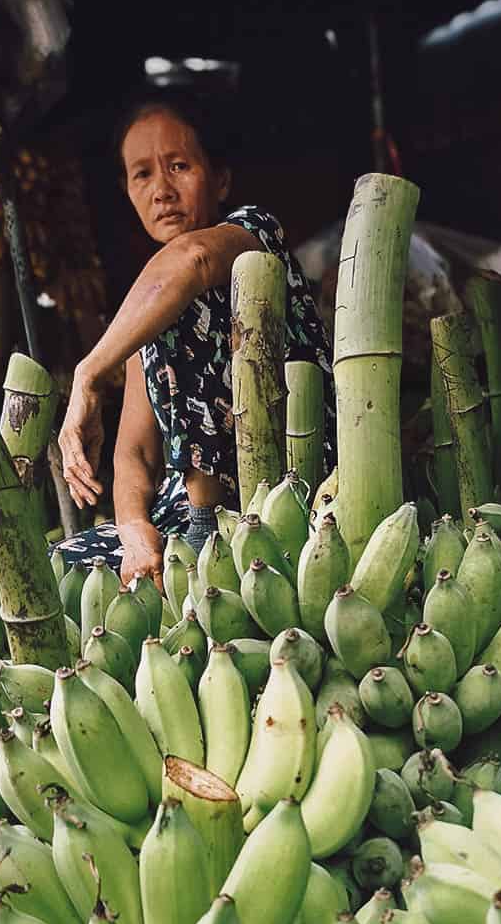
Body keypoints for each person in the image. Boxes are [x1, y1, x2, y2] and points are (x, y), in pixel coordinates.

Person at [55, 91, 334, 587]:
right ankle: (190, 540)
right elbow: (134, 455)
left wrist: (88, 374)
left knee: (182, 289)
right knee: (61, 566)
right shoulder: (148, 299)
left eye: (179, 166)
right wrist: (135, 527)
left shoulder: (252, 232)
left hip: (292, 487)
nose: (161, 189)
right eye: (142, 174)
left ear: (220, 179)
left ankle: (207, 544)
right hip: (178, 512)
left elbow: (193, 262)